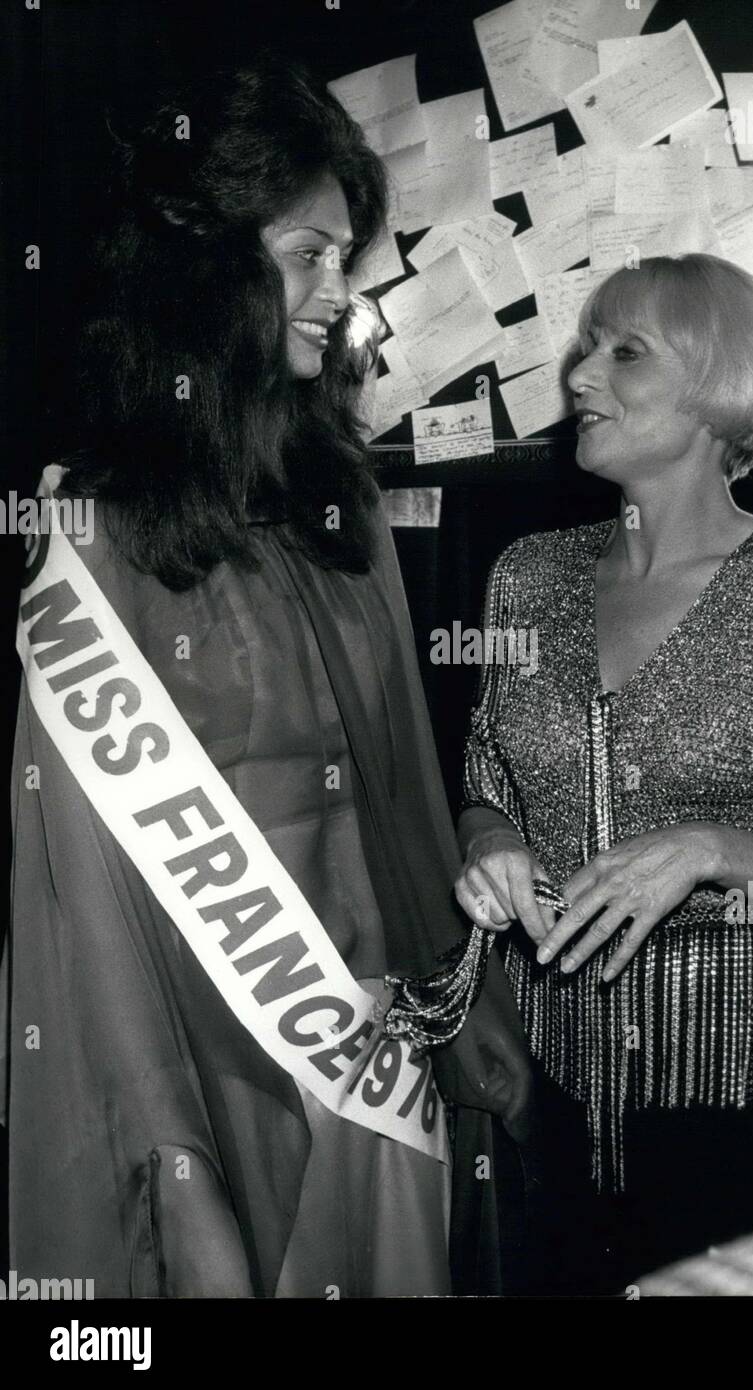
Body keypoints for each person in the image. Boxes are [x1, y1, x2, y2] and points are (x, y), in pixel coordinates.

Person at [2, 56, 531, 1299]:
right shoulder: (99, 528)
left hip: (377, 1046)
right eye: (308, 255)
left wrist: (470, 1007)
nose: (336, 293)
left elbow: (400, 777)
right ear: (207, 272)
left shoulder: (335, 501)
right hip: (209, 1056)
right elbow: (87, 903)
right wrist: (174, 1172)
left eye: (344, 258)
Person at [456, 254, 753, 1295]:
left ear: (725, 386)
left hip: (739, 1115)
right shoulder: (521, 577)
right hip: (552, 1104)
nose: (579, 375)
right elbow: (485, 777)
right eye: (586, 347)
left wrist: (712, 851)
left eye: (623, 352)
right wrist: (489, 844)